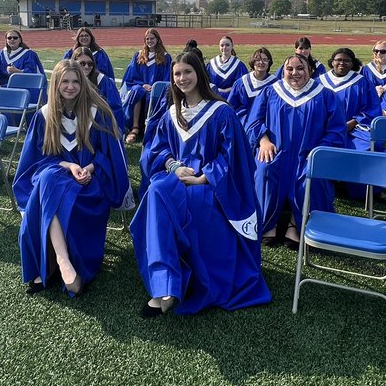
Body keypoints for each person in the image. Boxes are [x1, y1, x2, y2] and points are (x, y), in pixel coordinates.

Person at [130, 53, 270, 317]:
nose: (182, 78)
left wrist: (201, 178)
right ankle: (166, 287)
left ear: (200, 75)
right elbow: (154, 150)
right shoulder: (172, 113)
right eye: (177, 74)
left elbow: (233, 158)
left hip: (210, 184)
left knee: (179, 198)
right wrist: (173, 166)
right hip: (176, 178)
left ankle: (166, 286)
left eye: (188, 72)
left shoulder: (221, 112)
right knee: (157, 189)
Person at [13, 60, 129, 297]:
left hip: (90, 182)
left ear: (83, 83)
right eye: (65, 81)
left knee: (50, 190)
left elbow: (111, 156)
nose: (70, 86)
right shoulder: (44, 117)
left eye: (76, 81)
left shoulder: (99, 113)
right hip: (56, 177)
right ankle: (63, 261)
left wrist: (89, 167)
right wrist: (67, 164)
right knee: (47, 179)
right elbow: (33, 162)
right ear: (56, 83)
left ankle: (53, 264)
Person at [248, 53, 347, 247]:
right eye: (289, 69)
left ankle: (297, 223)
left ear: (310, 70)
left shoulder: (325, 95)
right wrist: (264, 140)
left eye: (300, 68)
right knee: (265, 171)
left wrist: (320, 150)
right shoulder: (271, 92)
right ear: (282, 71)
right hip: (275, 152)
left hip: (309, 154)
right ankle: (268, 222)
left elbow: (337, 130)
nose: (295, 73)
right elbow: (254, 121)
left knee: (309, 178)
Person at [121, 28, 171, 144]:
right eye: (147, 39)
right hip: (140, 86)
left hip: (157, 89)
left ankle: (150, 128)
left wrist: (155, 87)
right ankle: (134, 128)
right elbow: (131, 76)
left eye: (152, 38)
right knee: (138, 91)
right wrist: (142, 85)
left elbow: (167, 79)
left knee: (150, 97)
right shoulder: (139, 55)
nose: (149, 41)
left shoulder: (165, 57)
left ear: (158, 39)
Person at [319, 48, 376, 149]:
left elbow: (371, 110)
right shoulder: (319, 82)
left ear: (352, 64)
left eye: (346, 61)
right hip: (321, 129)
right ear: (332, 62)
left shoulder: (362, 83)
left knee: (366, 146)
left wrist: (352, 123)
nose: (342, 63)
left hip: (353, 130)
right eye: (338, 60)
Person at [72, 45, 124, 132]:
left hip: (98, 126)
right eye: (82, 63)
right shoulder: (68, 82)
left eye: (90, 63)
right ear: (74, 63)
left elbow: (115, 109)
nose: (86, 67)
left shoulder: (104, 82)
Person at [0, 29, 44, 95]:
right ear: (6, 40)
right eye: (9, 38)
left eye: (15, 38)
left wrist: (18, 71)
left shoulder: (29, 54)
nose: (12, 40)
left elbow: (34, 72)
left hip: (22, 84)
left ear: (20, 40)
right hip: (2, 83)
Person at [228, 47, 277, 130]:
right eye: (258, 59)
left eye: (265, 60)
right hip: (243, 124)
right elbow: (231, 107)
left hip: (267, 123)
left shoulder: (275, 84)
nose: (261, 62)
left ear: (269, 63)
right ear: (253, 62)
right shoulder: (242, 83)